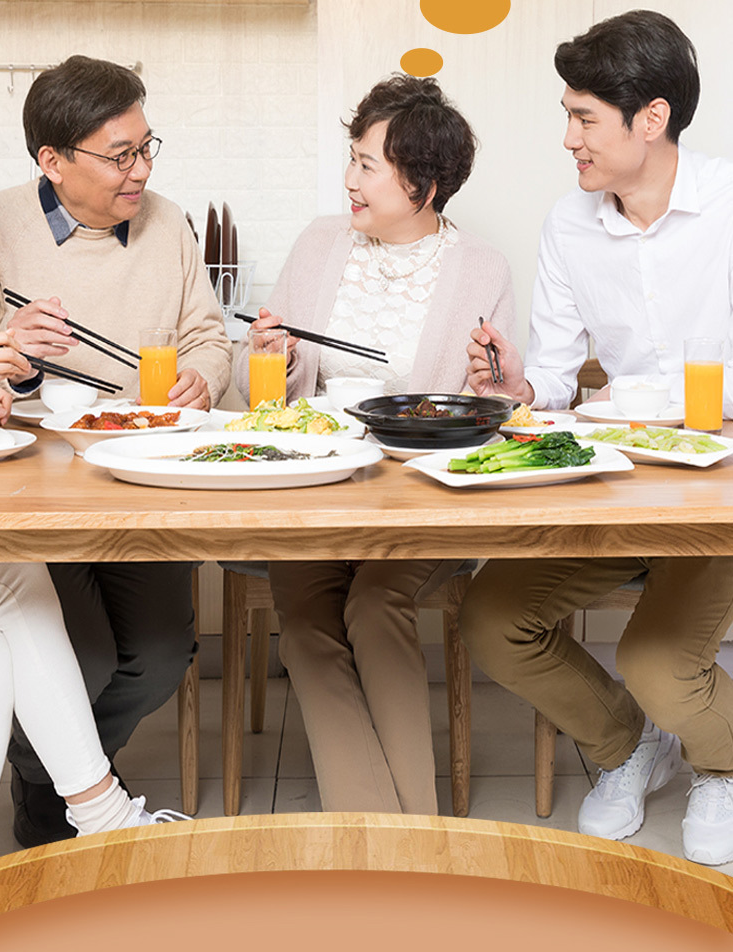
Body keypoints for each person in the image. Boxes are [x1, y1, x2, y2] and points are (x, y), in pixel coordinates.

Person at [462, 10, 733, 865]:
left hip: (716, 491)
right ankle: (628, 744)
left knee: (658, 661)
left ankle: (722, 763)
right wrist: (516, 388)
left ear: (651, 118)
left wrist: (669, 404)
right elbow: (552, 375)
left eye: (584, 118)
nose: (568, 139)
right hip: (618, 480)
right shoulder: (569, 222)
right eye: (567, 115)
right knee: (493, 619)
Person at [0, 55, 232, 849]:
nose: (141, 170)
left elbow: (209, 337)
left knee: (164, 652)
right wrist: (14, 354)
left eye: (146, 147)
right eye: (119, 155)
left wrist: (204, 378)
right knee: (89, 656)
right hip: (32, 483)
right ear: (53, 160)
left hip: (144, 474)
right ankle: (72, 803)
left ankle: (49, 779)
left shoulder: (169, 224)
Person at [235, 75, 515, 813]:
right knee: (306, 621)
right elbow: (258, 389)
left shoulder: (481, 267)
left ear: (423, 184)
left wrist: (494, 381)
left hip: (422, 497)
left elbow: (494, 408)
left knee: (375, 603)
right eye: (352, 159)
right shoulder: (320, 242)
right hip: (316, 486)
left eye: (367, 165)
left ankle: (400, 832)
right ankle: (395, 832)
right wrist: (270, 357)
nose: (350, 180)